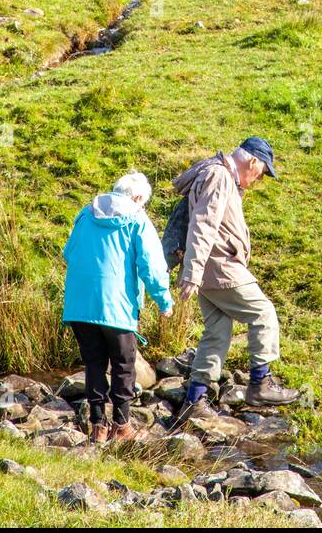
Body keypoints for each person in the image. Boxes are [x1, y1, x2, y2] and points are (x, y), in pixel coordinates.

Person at [170, 137, 299, 428]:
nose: (258, 179)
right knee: (263, 313)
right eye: (262, 172)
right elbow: (203, 225)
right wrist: (192, 271)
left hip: (208, 270)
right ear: (252, 161)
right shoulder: (220, 176)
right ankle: (260, 383)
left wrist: (194, 271)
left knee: (217, 330)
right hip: (219, 268)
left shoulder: (215, 172)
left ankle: (195, 400)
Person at [63, 170, 173, 443]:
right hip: (118, 308)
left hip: (80, 306)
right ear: (137, 197)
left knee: (94, 365)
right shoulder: (138, 220)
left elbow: (68, 252)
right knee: (124, 365)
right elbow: (152, 266)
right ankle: (122, 426)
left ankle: (98, 427)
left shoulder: (85, 214)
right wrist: (164, 301)